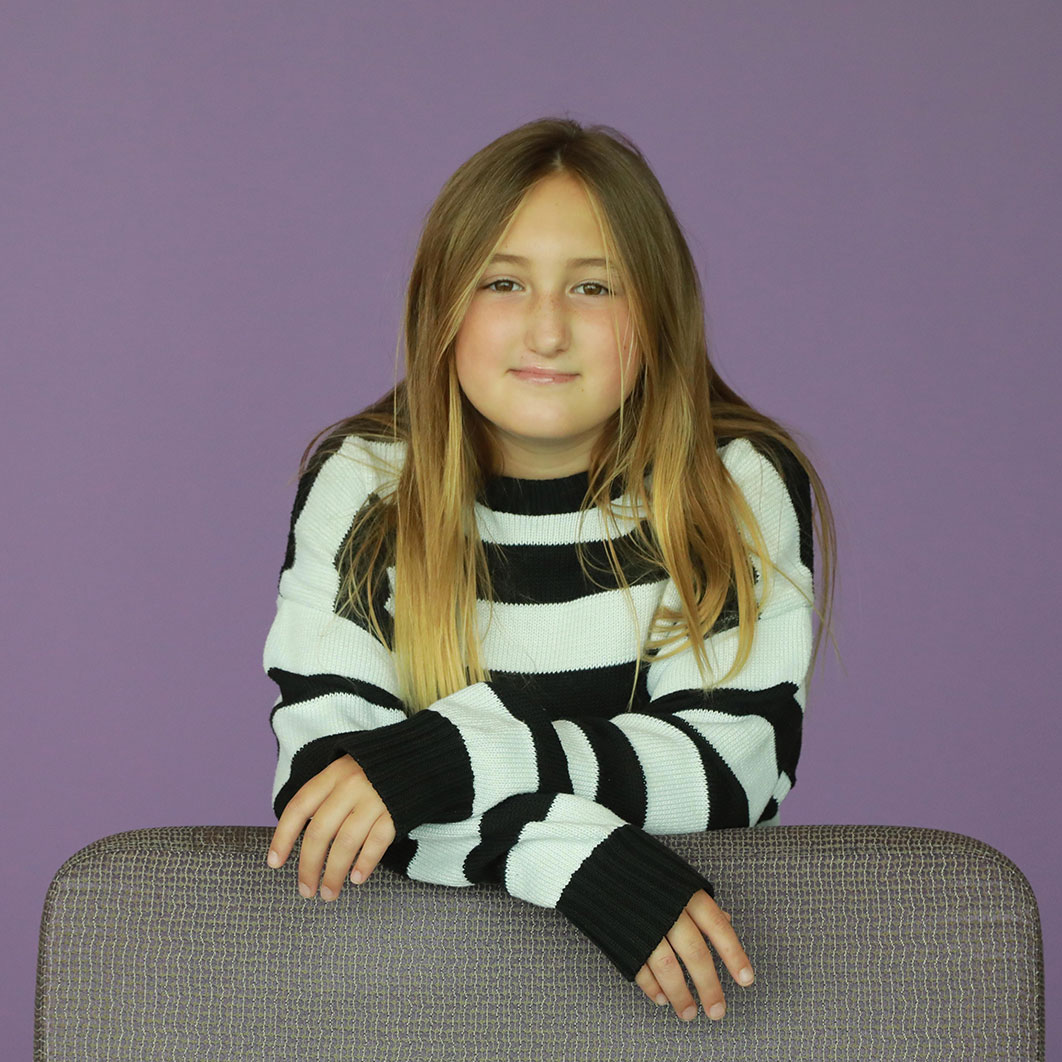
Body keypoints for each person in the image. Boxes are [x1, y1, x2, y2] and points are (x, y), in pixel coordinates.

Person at [263, 116, 837, 1025]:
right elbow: (327, 790)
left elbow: (730, 768)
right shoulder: (368, 482)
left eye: (594, 287)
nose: (547, 329)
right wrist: (570, 857)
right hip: (408, 993)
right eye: (503, 282)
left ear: (657, 312)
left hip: (677, 1006)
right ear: (441, 305)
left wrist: (447, 761)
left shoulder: (731, 485)